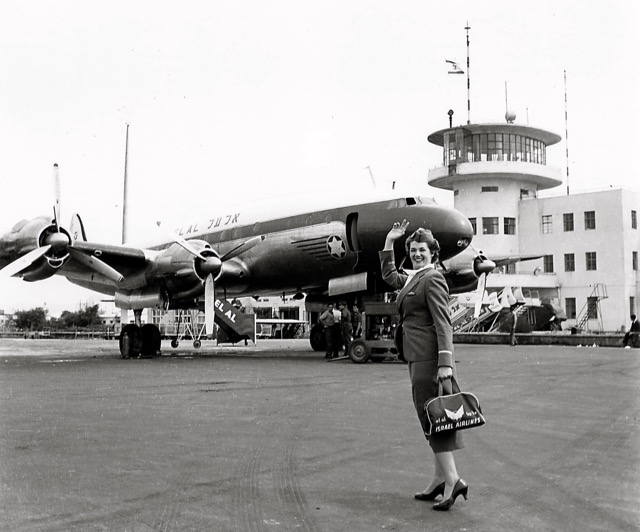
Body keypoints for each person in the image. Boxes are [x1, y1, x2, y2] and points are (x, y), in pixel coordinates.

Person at [379, 219, 468, 511]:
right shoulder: (414, 277)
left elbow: (444, 324)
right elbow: (389, 274)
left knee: (433, 417)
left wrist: (446, 364)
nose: (417, 254)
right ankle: (439, 480)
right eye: (414, 249)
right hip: (416, 356)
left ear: (433, 253)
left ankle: (453, 480)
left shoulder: (432, 278)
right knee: (433, 417)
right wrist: (390, 242)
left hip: (430, 358)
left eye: (423, 250)